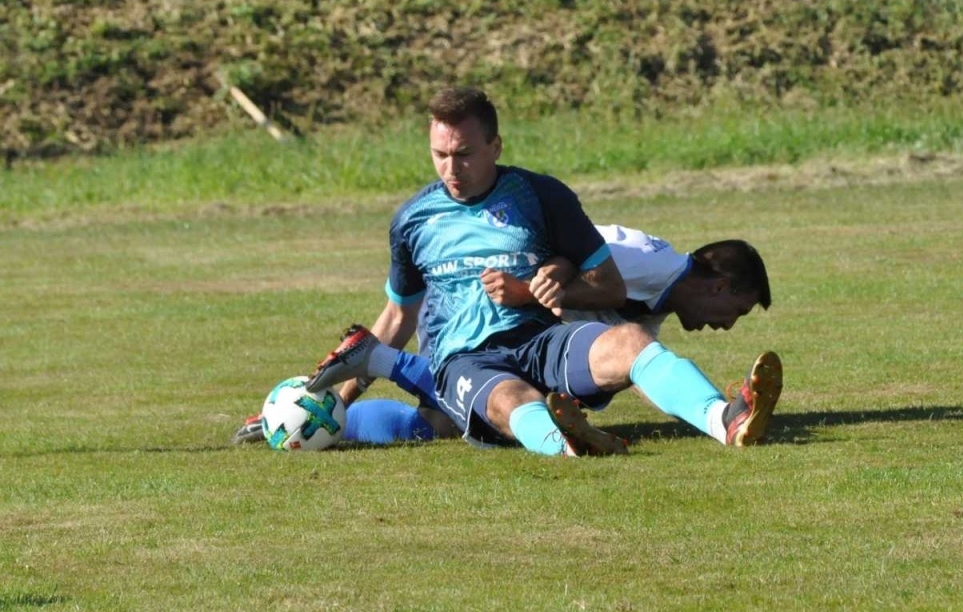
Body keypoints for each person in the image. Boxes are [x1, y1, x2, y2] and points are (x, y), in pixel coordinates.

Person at [259, 85, 783, 457]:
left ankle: (724, 420)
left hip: (538, 340)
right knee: (504, 402)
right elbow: (399, 314)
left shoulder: (542, 197)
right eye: (439, 154)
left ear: (495, 147)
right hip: (463, 361)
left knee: (627, 342)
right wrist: (324, 402)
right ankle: (566, 443)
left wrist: (546, 284)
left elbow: (607, 285)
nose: (450, 168)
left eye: (463, 154)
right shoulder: (413, 219)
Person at [236, 225, 776, 446]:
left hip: (511, 338)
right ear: (721, 284)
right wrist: (516, 290)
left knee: (440, 425)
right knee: (494, 396)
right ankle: (375, 362)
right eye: (737, 309)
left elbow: (636, 362)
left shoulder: (653, 299)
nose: (728, 324)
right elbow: (540, 250)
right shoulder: (635, 256)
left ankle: (314, 422)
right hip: (477, 320)